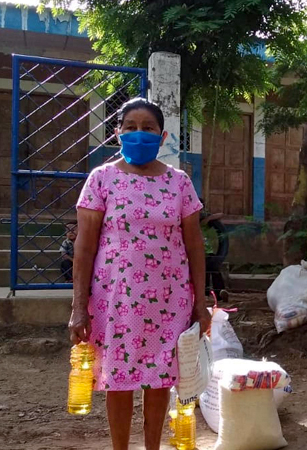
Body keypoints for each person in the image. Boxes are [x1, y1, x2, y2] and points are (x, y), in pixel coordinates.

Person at [67, 98, 212, 450]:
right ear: (117, 133)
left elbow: (194, 246)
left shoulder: (179, 183)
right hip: (115, 300)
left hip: (170, 300)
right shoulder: (102, 179)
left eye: (148, 128)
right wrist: (78, 305)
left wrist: (199, 301)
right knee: (118, 379)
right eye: (130, 127)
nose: (138, 133)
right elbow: (84, 248)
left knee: (160, 378)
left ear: (162, 137)